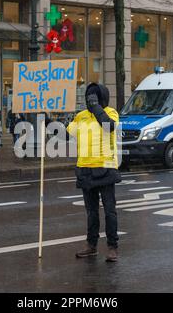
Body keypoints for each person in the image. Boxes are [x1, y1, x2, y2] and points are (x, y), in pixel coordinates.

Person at [67, 83, 121, 262]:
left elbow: (109, 127)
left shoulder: (111, 112)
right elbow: (68, 134)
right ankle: (91, 246)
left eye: (95, 97)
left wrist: (97, 107)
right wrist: (50, 121)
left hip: (105, 168)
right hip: (85, 169)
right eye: (90, 98)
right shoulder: (81, 116)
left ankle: (112, 247)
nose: (91, 100)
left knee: (109, 211)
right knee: (91, 212)